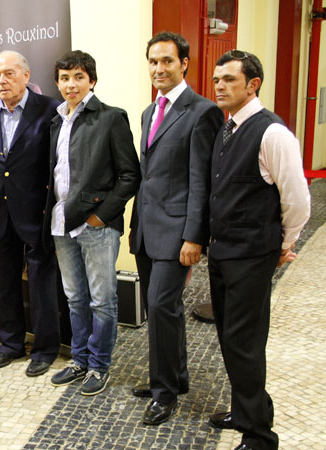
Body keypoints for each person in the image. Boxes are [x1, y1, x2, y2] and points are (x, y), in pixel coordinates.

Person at [208, 50, 310, 450]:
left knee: (244, 343)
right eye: (217, 79)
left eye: (229, 79)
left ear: (253, 85)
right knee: (230, 338)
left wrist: (284, 243)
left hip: (252, 254)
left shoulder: (272, 133)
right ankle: (244, 410)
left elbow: (297, 199)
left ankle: (259, 436)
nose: (219, 86)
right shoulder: (227, 127)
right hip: (224, 252)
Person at [129, 31, 224, 425]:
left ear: (184, 63)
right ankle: (174, 376)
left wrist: (194, 236)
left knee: (160, 306)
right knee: (163, 309)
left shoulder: (202, 112)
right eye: (153, 61)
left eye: (167, 61)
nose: (159, 68)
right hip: (146, 229)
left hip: (177, 233)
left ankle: (164, 392)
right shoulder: (149, 112)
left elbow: (201, 180)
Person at [45, 51, 140, 395]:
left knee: (102, 300)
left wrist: (100, 217)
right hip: (61, 223)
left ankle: (99, 365)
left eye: (79, 77)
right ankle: (80, 360)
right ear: (57, 83)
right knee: (75, 298)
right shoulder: (56, 121)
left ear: (92, 81)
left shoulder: (111, 117)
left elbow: (130, 175)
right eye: (64, 78)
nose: (71, 84)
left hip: (95, 225)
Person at [0, 50, 60, 377]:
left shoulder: (50, 109)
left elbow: (57, 166)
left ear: (26, 75)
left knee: (42, 287)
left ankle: (45, 349)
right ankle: (10, 345)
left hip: (36, 215)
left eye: (9, 73)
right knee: (3, 286)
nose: (2, 80)